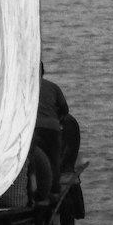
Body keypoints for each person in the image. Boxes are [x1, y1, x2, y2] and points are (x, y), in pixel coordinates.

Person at [35, 62, 69, 194]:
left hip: (35, 128)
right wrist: (57, 119)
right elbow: (65, 109)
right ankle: (55, 191)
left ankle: (38, 192)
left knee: (35, 161)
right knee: (53, 160)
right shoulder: (53, 87)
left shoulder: (26, 86)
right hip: (53, 128)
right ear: (43, 72)